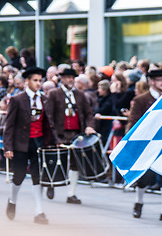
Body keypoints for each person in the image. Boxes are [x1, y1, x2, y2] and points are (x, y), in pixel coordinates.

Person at [3, 67, 60, 224]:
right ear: (27, 81)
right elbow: (9, 126)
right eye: (35, 80)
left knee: (38, 176)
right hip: (21, 143)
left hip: (39, 143)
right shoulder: (17, 99)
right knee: (19, 175)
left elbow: (50, 124)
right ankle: (12, 200)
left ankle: (39, 211)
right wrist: (8, 147)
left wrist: (56, 141)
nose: (38, 83)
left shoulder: (44, 99)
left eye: (40, 80)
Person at [127, 69, 162, 222]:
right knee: (144, 178)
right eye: (160, 79)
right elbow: (134, 123)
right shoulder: (141, 99)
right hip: (147, 144)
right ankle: (138, 202)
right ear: (152, 82)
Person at [47, 68, 96, 203]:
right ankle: (50, 183)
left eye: (72, 77)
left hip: (76, 134)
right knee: (56, 161)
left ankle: (71, 194)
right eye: (67, 77)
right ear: (61, 79)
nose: (70, 79)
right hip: (59, 133)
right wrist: (53, 134)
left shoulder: (80, 95)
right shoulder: (53, 94)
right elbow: (49, 116)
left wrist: (89, 126)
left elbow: (89, 113)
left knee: (75, 164)